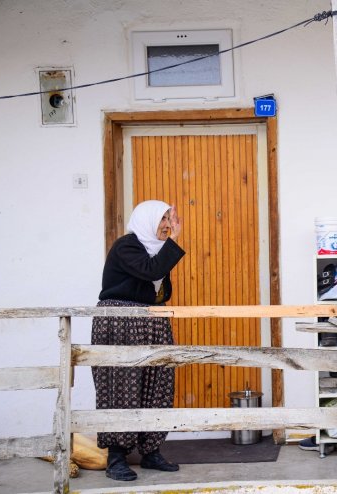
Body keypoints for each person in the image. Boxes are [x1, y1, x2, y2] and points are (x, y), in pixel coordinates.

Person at [92, 200, 186, 481]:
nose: (168, 226)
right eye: (163, 219)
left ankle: (151, 450)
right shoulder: (127, 246)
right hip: (121, 320)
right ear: (146, 220)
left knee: (158, 383)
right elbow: (151, 271)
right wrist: (174, 243)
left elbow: (157, 284)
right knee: (120, 386)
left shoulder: (156, 251)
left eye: (170, 219)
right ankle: (116, 457)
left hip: (153, 321)